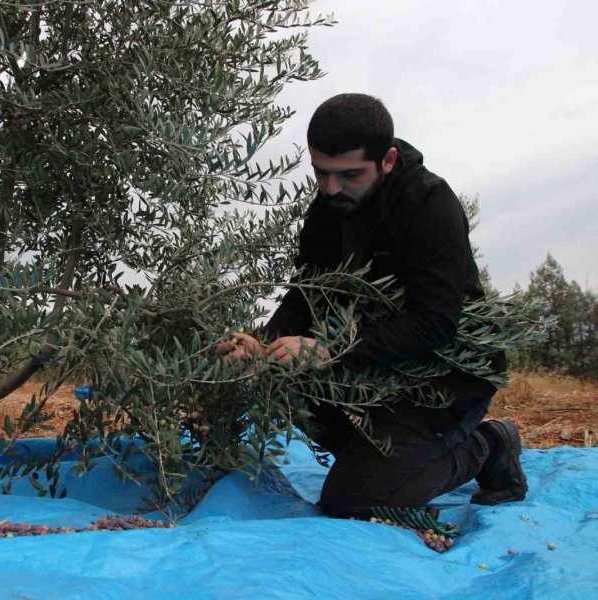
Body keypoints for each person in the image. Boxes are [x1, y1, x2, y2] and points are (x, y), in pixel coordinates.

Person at [219, 93, 527, 518]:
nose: (331, 188)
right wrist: (261, 343)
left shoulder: (430, 203)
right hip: (378, 366)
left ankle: (488, 445)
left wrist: (328, 351)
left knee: (353, 501)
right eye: (321, 172)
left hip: (447, 376)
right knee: (282, 378)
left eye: (349, 174)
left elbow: (435, 322)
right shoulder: (328, 209)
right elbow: (307, 293)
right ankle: (387, 466)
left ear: (388, 160)